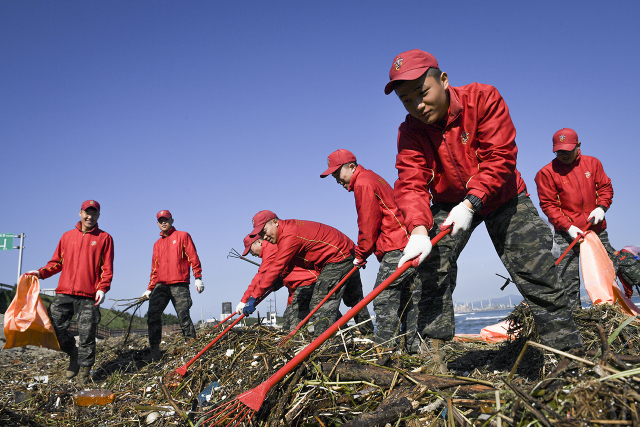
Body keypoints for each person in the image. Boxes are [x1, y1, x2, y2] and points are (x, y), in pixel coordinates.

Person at [384, 49, 582, 356]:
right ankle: (432, 357)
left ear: (444, 81)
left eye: (423, 94)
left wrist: (472, 202)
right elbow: (411, 183)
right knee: (431, 269)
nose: (418, 106)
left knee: (535, 269)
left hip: (503, 195)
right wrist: (419, 230)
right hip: (450, 202)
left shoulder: (483, 98)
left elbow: (501, 157)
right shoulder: (410, 131)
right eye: (406, 100)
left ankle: (568, 355)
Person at [320, 149, 413, 346]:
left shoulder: (363, 183)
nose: (337, 179)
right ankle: (412, 346)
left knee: (384, 298)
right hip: (401, 242)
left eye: (338, 173)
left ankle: (386, 347)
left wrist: (360, 253)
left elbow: (368, 222)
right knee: (405, 297)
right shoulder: (370, 177)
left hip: (396, 245)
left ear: (352, 167)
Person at [24, 200, 114, 384]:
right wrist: (40, 273)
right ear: (80, 213)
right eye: (86, 213)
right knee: (52, 328)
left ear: (98, 216)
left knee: (87, 334)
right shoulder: (67, 236)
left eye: (94, 213)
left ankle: (84, 374)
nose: (90, 216)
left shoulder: (105, 238)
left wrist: (103, 288)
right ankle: (73, 353)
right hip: (64, 293)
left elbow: (107, 267)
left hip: (89, 296)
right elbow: (57, 263)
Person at [245, 210, 373, 336]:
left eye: (265, 231)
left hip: (338, 257)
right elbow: (287, 268)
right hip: (346, 252)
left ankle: (327, 344)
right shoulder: (288, 231)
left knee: (319, 303)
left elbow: (276, 267)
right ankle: (367, 334)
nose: (265, 237)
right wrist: (276, 283)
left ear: (274, 222)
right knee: (354, 299)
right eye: (261, 234)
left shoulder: (289, 235)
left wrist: (254, 296)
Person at [535, 128, 615, 309]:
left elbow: (605, 188)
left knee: (608, 271)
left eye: (568, 151)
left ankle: (610, 310)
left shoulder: (593, 164)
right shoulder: (546, 173)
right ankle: (575, 318)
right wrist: (568, 226)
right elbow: (549, 205)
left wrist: (602, 207)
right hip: (567, 234)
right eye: (559, 151)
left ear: (578, 146)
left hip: (596, 230)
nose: (563, 155)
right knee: (567, 279)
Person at [142, 210, 204, 361]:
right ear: (157, 223)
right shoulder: (157, 244)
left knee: (183, 315)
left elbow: (193, 257)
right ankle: (154, 350)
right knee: (153, 314)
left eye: (166, 219)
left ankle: (191, 346)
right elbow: (154, 269)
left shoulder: (183, 236)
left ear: (172, 220)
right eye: (160, 220)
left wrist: (198, 277)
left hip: (179, 284)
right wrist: (150, 288)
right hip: (161, 286)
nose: (163, 222)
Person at [236, 233, 317, 331]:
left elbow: (261, 277)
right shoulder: (268, 250)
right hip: (294, 287)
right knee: (287, 322)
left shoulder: (270, 249)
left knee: (295, 326)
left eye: (250, 250)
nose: (251, 254)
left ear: (258, 241)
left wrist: (246, 300)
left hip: (306, 282)